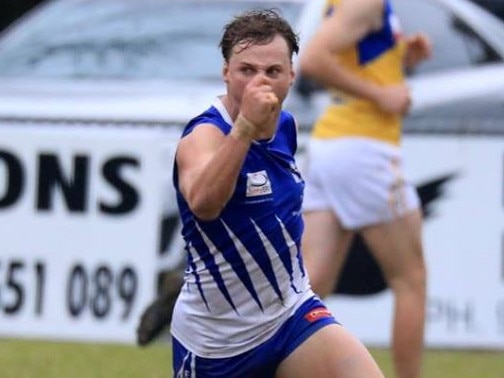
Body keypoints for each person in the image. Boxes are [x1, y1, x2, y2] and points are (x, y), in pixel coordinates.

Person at [170, 8, 385, 378]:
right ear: (226, 73)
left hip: (291, 315)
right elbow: (204, 204)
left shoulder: (285, 126)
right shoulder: (204, 135)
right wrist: (245, 127)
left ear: (291, 76)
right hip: (219, 345)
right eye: (246, 70)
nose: (260, 83)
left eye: (272, 72)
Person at [298, 0, 432, 378]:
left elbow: (354, 58)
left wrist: (403, 58)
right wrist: (382, 96)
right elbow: (313, 59)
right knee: (411, 280)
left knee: (307, 289)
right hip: (364, 151)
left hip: (331, 148)